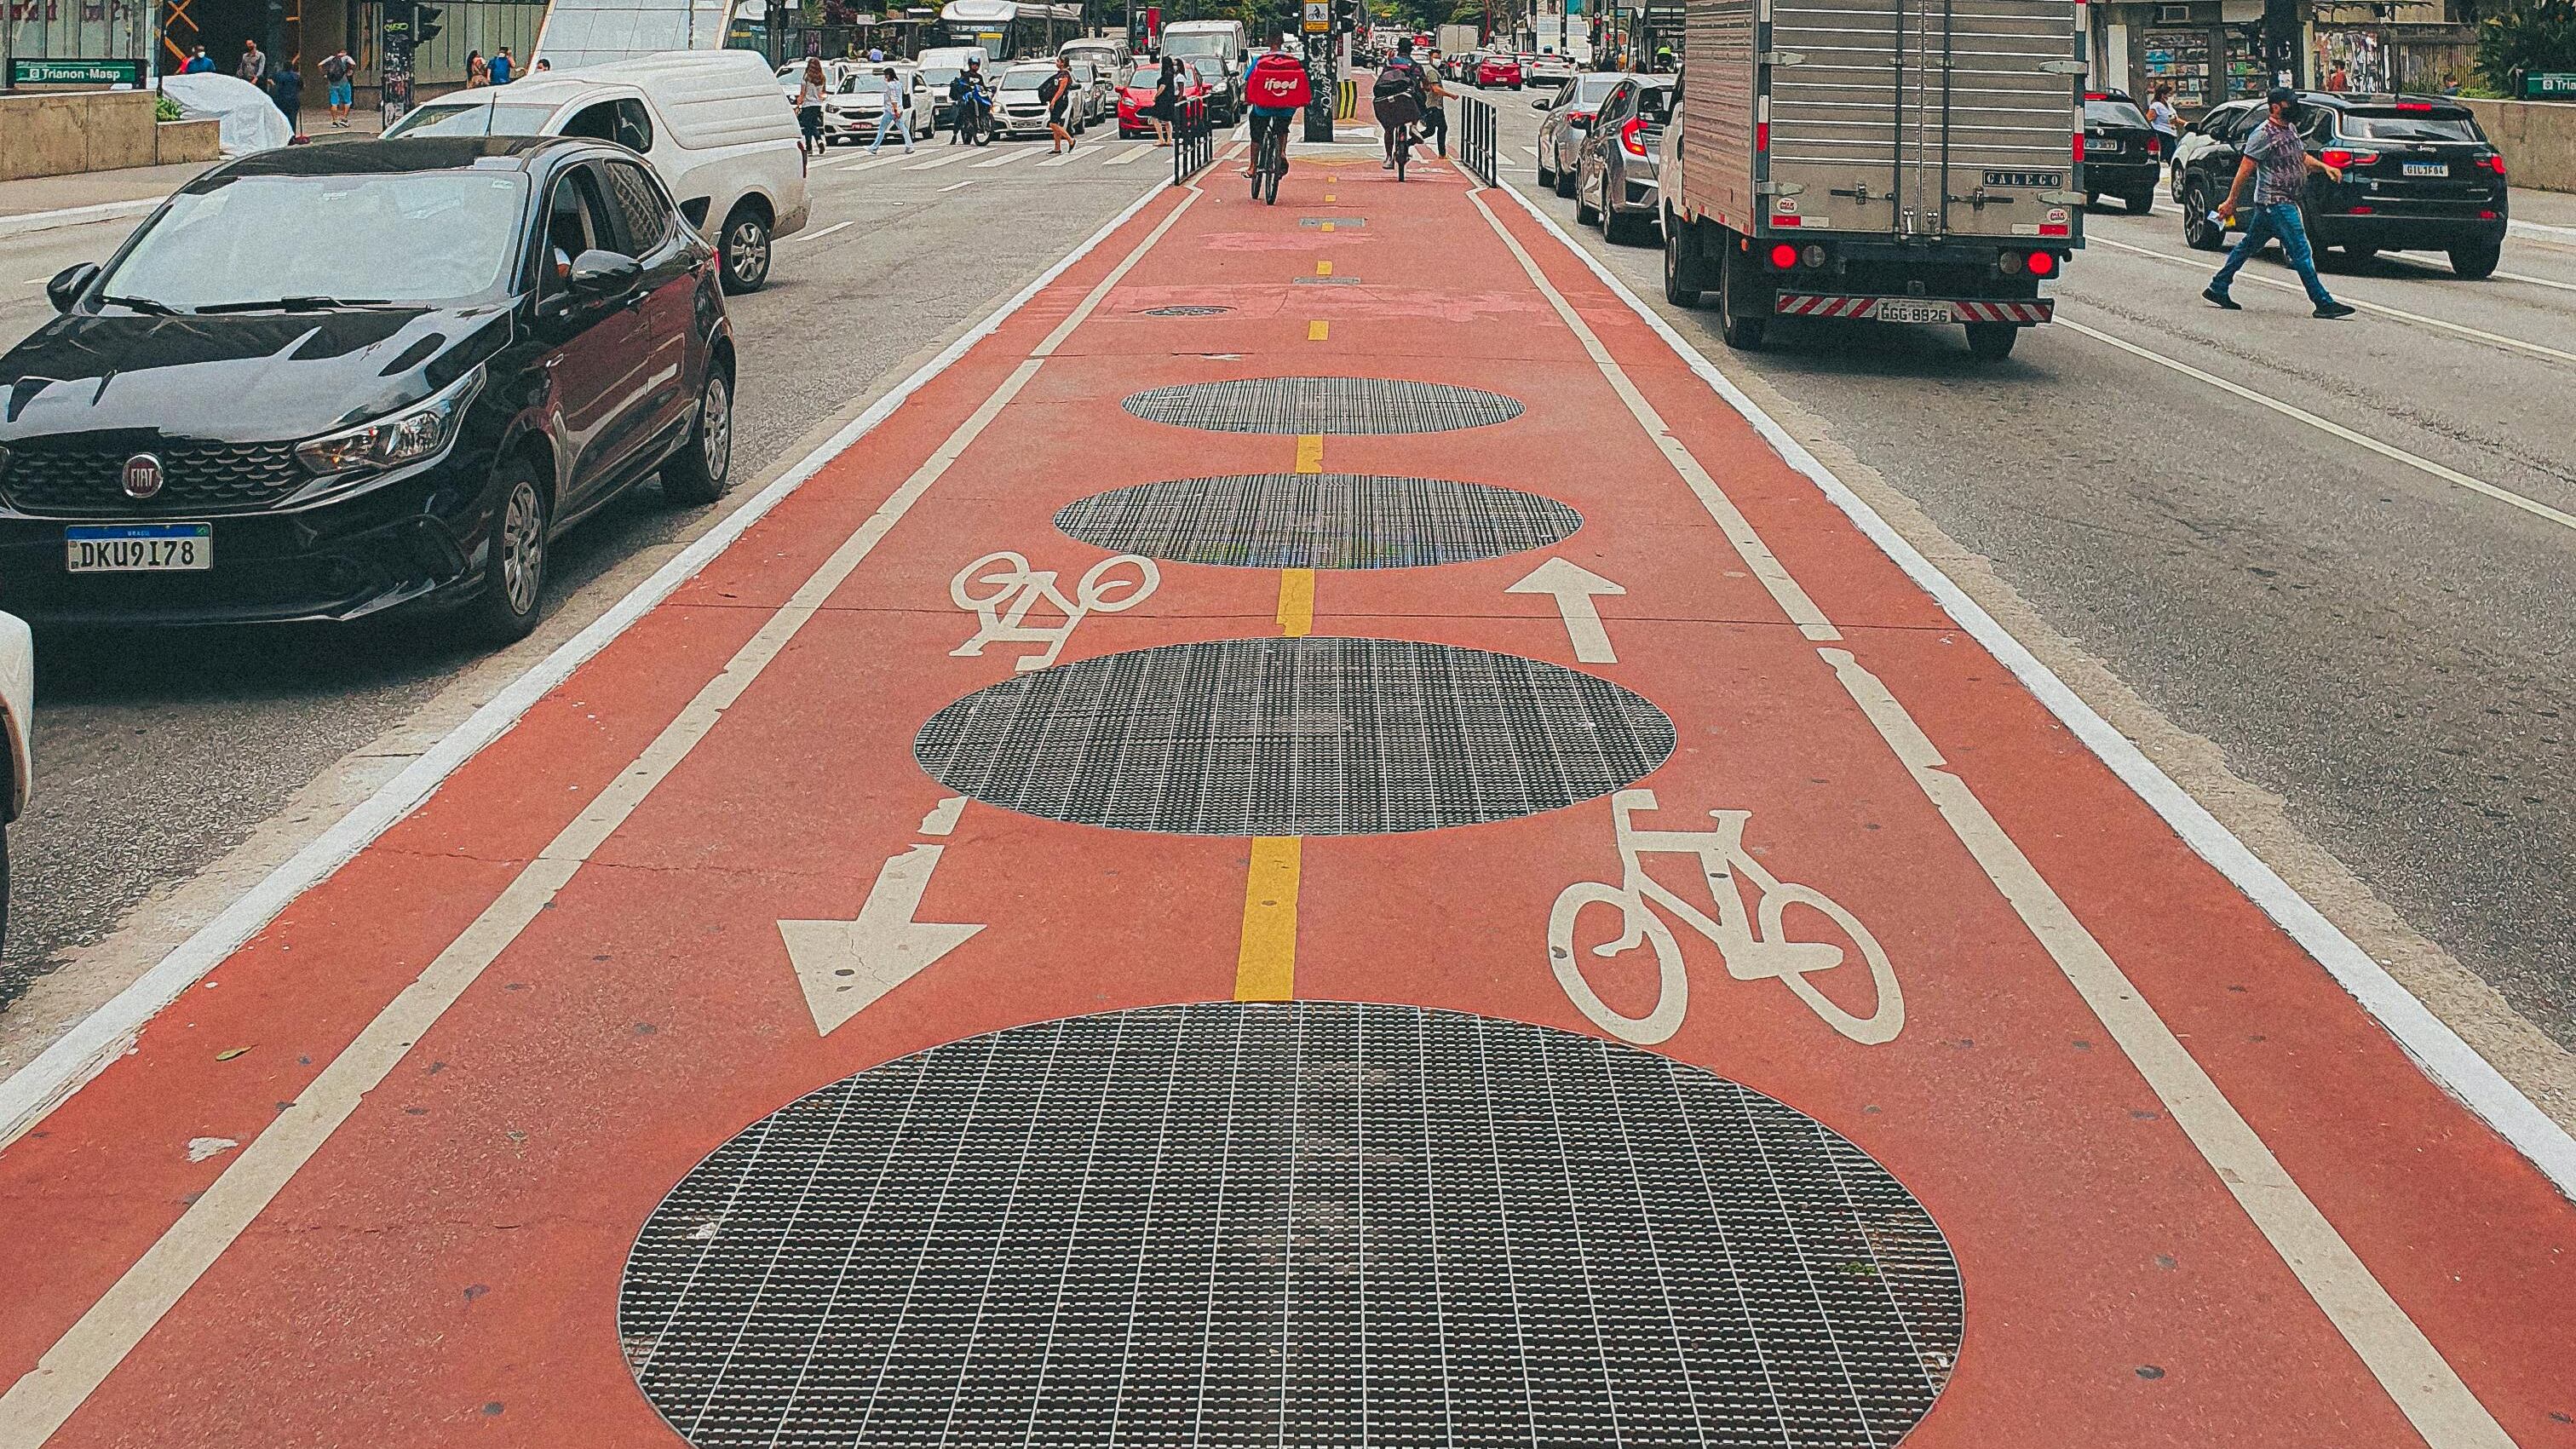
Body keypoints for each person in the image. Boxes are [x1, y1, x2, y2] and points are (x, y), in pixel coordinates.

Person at [2205, 86, 2355, 319]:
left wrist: (2325, 167)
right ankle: (2323, 302)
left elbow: (2301, 157)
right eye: (2290, 103)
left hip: (2277, 203)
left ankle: (2218, 286)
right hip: (2275, 202)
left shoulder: (2291, 129)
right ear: (2275, 107)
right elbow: (2245, 169)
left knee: (2248, 246)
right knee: (2302, 250)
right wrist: (2231, 201)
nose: (2295, 108)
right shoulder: (2263, 134)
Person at [1241, 35, 1311, 179]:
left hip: (1263, 108)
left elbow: (1247, 78)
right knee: (1282, 127)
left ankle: (1253, 167)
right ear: (1282, 43)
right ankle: (1281, 153)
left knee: (1256, 133)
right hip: (1286, 107)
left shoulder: (1259, 60)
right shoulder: (1293, 60)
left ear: (1268, 41)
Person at [1371, 36, 1426, 170]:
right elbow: (1423, 84)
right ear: (1411, 50)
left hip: (1388, 99)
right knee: (1420, 98)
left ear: (1399, 48)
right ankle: (1414, 125)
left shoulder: (1390, 62)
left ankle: (1389, 157)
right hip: (1407, 100)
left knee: (1388, 129)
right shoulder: (1415, 65)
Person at [868, 65, 915, 154]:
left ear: (889, 75)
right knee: (903, 129)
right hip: (899, 109)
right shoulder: (898, 83)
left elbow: (893, 99)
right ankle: (910, 146)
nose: (885, 77)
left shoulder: (890, 85)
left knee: (882, 128)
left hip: (891, 110)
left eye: (886, 75)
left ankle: (874, 147)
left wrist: (895, 110)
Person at [2145, 83, 2179, 195]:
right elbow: (2148, 119)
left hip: (2171, 134)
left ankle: (2176, 181)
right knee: (2171, 159)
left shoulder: (2168, 106)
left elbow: (2175, 119)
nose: (2170, 96)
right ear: (2162, 95)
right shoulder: (2156, 106)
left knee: (2172, 159)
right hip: (2162, 135)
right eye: (2168, 94)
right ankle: (2176, 183)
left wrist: (2187, 124)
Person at [1041, 55, 1077, 153]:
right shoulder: (1060, 74)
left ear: (1062, 63)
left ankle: (1071, 140)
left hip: (1061, 101)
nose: (1056, 63)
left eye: (1058, 61)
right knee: (1055, 123)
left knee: (1052, 124)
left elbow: (1061, 90)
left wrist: (1053, 101)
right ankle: (1057, 148)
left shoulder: (1065, 75)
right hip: (1058, 101)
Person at [950, 55, 987, 143]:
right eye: (973, 64)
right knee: (961, 114)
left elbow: (982, 87)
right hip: (967, 98)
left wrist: (988, 89)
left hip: (977, 97)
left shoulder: (979, 77)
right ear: (970, 65)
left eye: (977, 64)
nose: (975, 66)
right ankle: (955, 134)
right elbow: (960, 84)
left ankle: (983, 121)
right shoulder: (966, 75)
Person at [795, 57, 828, 155]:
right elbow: (823, 93)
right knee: (813, 124)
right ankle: (819, 141)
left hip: (807, 104)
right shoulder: (822, 77)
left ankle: (809, 147)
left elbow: (803, 93)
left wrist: (798, 103)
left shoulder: (806, 77)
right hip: (817, 104)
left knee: (807, 126)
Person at [1419, 55, 1449, 156]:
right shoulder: (1431, 71)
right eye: (1436, 56)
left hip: (1434, 106)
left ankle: (1442, 154)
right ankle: (1408, 142)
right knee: (1436, 130)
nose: (1439, 59)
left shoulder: (1431, 70)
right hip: (1433, 106)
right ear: (1431, 58)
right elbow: (1435, 88)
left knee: (1435, 130)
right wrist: (1451, 95)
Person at [319, 45, 356, 127]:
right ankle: (344, 118)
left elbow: (320, 64)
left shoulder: (332, 58)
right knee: (347, 101)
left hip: (332, 83)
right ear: (344, 53)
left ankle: (335, 121)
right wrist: (349, 71)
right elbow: (353, 64)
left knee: (334, 102)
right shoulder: (346, 58)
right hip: (344, 82)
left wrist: (325, 74)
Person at [1151, 55, 1181, 146]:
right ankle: (1169, 139)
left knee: (1155, 118)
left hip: (1163, 100)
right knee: (1167, 120)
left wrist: (1156, 96)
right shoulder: (1171, 73)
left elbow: (1162, 87)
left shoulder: (1167, 74)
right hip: (1169, 99)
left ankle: (1161, 138)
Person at [270, 58, 302, 133]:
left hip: (281, 99)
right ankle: (292, 135)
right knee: (293, 118)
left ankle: (284, 134)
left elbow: (271, 79)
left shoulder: (279, 75)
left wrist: (273, 85)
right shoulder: (297, 76)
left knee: (282, 118)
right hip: (294, 99)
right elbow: (301, 87)